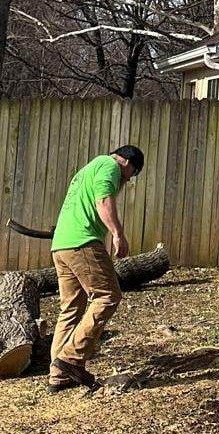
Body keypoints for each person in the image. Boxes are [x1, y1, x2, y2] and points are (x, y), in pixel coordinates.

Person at [47, 144, 144, 393]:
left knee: (71, 307)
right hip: (83, 242)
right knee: (108, 295)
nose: (127, 181)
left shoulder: (88, 169)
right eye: (131, 175)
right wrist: (117, 234)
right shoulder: (110, 166)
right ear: (129, 165)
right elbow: (103, 199)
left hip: (61, 245)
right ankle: (70, 359)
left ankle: (58, 375)